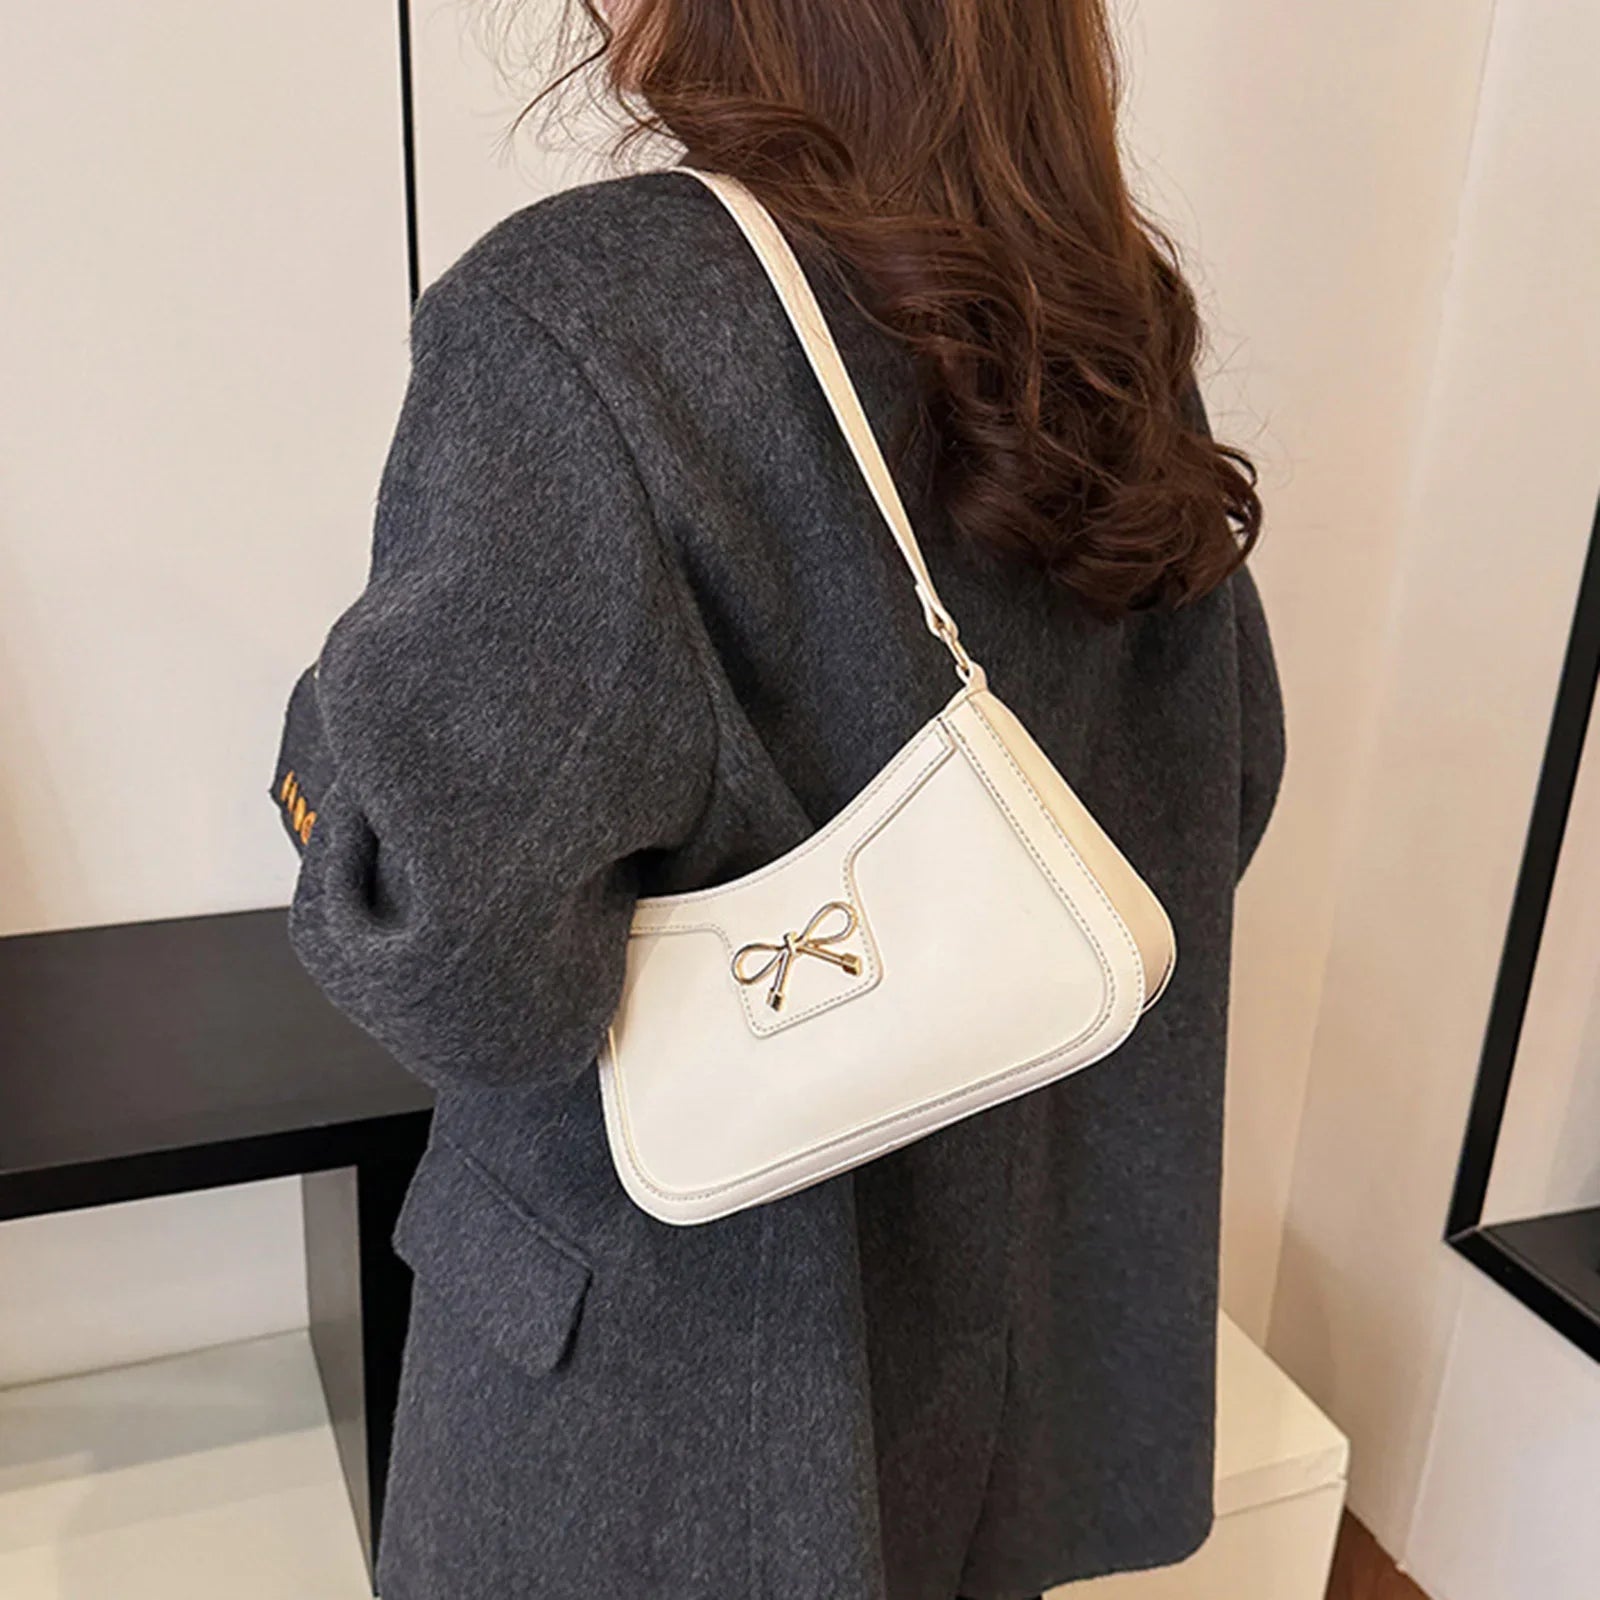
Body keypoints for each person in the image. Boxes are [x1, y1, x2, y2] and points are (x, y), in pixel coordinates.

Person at [269, 2, 1285, 1596]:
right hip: (997, 1350)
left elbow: (462, 966)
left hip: (658, 1410)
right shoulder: (1107, 319)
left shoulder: (583, 317)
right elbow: (1221, 786)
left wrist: (333, 732)